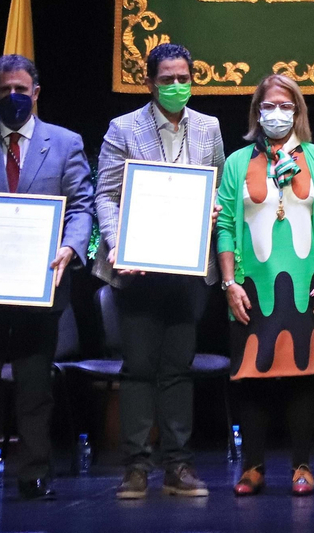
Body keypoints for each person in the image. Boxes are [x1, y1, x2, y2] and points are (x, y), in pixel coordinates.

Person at [0, 54, 93, 503]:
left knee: (34, 387)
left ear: (36, 92)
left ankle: (33, 475)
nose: (13, 97)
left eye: (21, 90)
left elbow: (81, 206)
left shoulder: (65, 143)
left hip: (40, 287)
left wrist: (70, 247)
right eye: (5, 90)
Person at [95, 43, 226, 499]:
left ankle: (179, 466)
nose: (176, 86)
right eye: (167, 79)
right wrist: (118, 245)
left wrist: (212, 210)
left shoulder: (208, 128)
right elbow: (106, 197)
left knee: (178, 369)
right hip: (137, 270)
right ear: (150, 83)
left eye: (183, 77)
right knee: (138, 368)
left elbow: (218, 189)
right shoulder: (123, 128)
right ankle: (135, 467)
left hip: (189, 272)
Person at [215, 74, 314, 497]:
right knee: (252, 373)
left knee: (303, 373)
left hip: (309, 281)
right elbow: (227, 228)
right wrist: (229, 282)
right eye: (268, 106)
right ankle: (252, 467)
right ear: (257, 112)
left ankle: (302, 465)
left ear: (298, 111)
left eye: (286, 106)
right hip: (252, 285)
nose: (277, 113)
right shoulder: (236, 162)